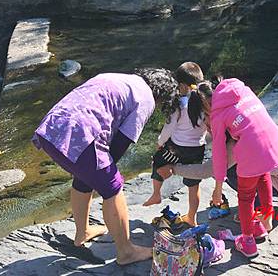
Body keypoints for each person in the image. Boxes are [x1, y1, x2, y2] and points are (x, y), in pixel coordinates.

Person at [32, 68, 178, 266]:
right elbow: (122, 142)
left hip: (51, 128)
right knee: (113, 184)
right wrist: (108, 178)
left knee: (86, 177)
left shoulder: (117, 77)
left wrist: (97, 171)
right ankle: (126, 252)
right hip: (79, 133)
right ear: (162, 97)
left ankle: (82, 233)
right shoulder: (146, 99)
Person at [210, 77, 278, 259]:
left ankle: (247, 242)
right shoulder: (245, 91)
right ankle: (261, 223)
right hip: (274, 145)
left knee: (245, 197)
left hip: (252, 151)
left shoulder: (217, 112)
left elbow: (219, 152)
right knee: (263, 175)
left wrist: (218, 187)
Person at [143, 62, 212, 227]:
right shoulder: (205, 104)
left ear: (181, 85)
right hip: (197, 149)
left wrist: (160, 143)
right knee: (193, 184)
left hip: (176, 149)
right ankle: (192, 217)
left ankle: (156, 194)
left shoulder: (179, 105)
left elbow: (168, 129)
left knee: (158, 161)